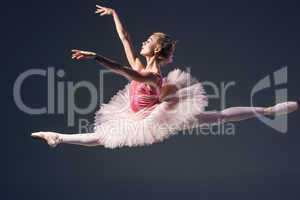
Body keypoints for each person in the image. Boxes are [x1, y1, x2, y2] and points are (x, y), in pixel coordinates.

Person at [31, 4, 298, 149]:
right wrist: (114, 14)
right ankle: (59, 137)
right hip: (141, 114)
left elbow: (123, 70)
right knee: (103, 137)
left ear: (156, 49)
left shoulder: (153, 76)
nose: (143, 41)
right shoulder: (140, 62)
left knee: (219, 116)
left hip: (158, 117)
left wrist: (95, 57)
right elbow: (125, 38)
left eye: (149, 40)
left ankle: (268, 110)